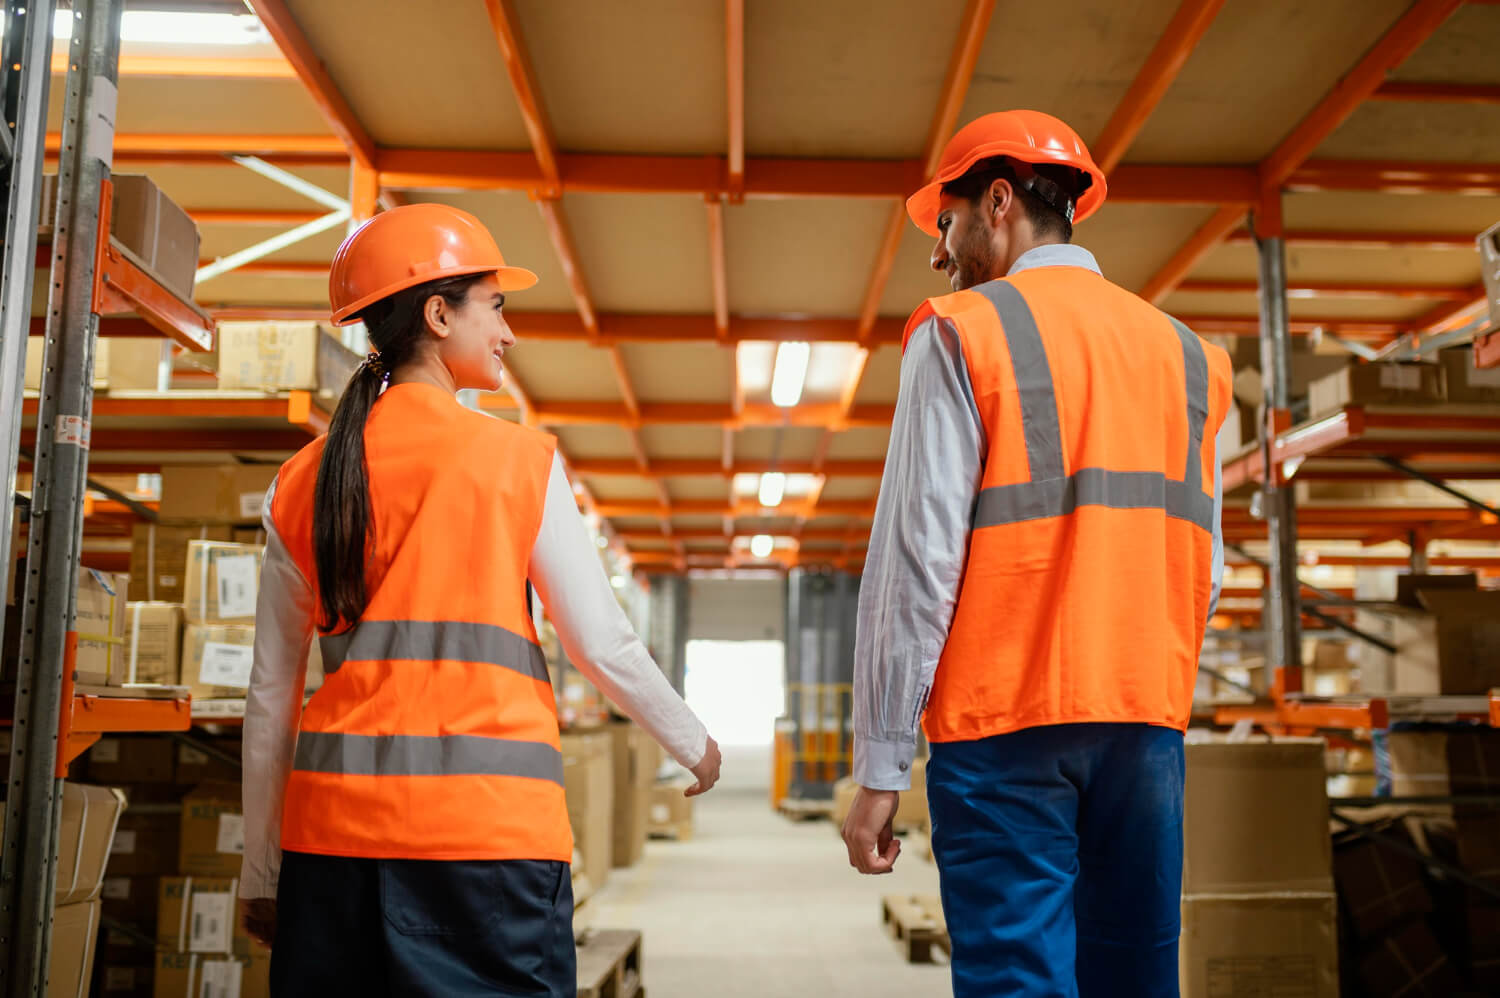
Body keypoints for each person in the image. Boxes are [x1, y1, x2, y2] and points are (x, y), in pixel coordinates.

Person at [237, 203, 722, 998]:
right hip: (485, 846)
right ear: (437, 314)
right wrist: (692, 742)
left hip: (332, 850)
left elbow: (270, 693)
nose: (508, 332)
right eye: (495, 306)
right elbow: (601, 642)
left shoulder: (301, 479)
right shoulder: (518, 461)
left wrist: (261, 866)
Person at [840, 110, 1232, 997]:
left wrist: (880, 769)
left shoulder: (959, 331)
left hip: (1002, 727)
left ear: (1000, 201)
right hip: (1145, 728)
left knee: (1021, 979)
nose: (939, 252)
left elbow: (916, 564)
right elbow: (1205, 575)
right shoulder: (1190, 358)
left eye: (946, 221)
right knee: (1133, 974)